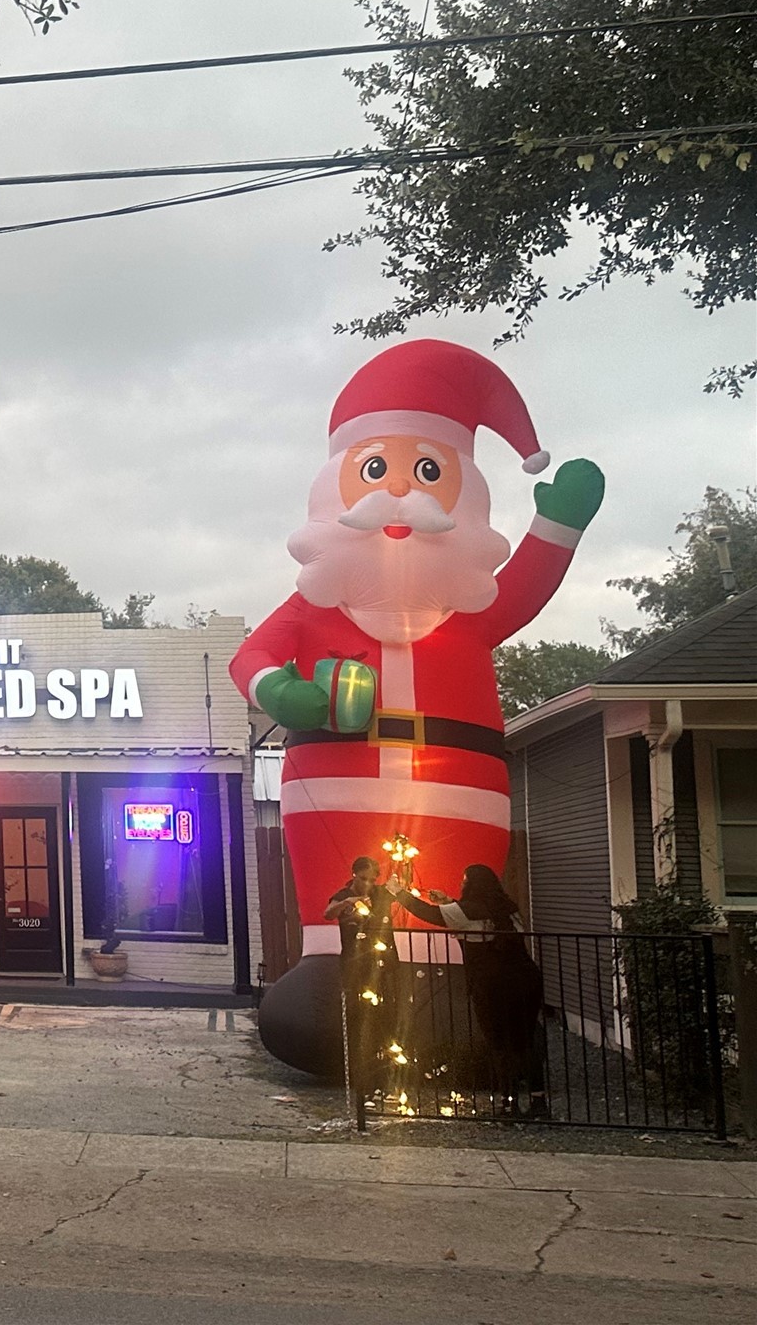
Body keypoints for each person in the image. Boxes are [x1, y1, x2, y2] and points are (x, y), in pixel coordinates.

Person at [228, 338, 603, 1078]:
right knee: (342, 901)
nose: (400, 492)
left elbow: (523, 589)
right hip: (333, 777)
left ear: (463, 489)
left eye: (428, 472)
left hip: (457, 780)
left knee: (447, 900)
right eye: (377, 470)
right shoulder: (314, 603)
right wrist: (282, 690)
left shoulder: (470, 611)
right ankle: (327, 981)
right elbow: (253, 657)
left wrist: (557, 528)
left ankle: (451, 1006)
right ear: (339, 483)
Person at [392, 863, 548, 1115]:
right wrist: (449, 901)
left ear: (472, 884)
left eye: (465, 880)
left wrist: (398, 892)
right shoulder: (508, 909)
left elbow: (429, 914)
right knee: (525, 1039)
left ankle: (508, 1103)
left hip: (492, 981)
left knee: (499, 1042)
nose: (463, 884)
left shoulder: (466, 910)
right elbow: (476, 918)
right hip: (526, 978)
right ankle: (538, 1100)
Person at [324, 855, 403, 1094]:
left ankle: (387, 1078)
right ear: (353, 875)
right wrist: (349, 901)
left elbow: (401, 892)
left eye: (372, 879)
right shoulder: (343, 895)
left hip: (384, 964)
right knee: (359, 1020)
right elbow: (327, 913)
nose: (368, 884)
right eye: (363, 878)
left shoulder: (380, 893)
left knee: (386, 1018)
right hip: (355, 966)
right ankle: (361, 1081)